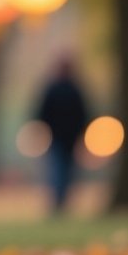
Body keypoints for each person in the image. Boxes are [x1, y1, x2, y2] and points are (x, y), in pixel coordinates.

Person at [35, 57, 90, 214]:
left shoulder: (57, 89)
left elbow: (42, 113)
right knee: (62, 170)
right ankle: (60, 200)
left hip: (62, 137)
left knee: (60, 170)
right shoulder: (73, 89)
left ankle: (60, 201)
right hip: (63, 137)